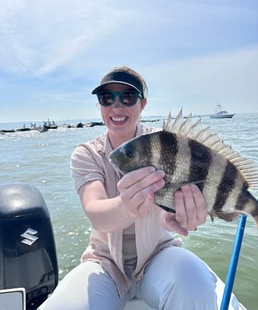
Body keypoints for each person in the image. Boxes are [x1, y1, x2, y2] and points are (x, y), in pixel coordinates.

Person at [39, 66, 246, 310]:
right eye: (106, 98)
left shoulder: (165, 142)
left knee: (197, 287)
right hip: (104, 263)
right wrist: (127, 206)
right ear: (99, 106)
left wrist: (176, 215)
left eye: (127, 97)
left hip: (159, 255)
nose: (117, 106)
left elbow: (172, 202)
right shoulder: (87, 154)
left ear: (142, 104)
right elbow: (95, 211)